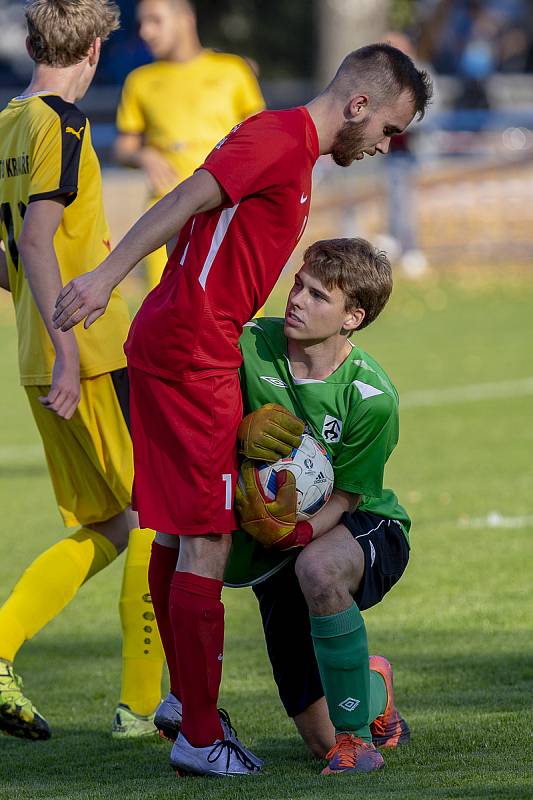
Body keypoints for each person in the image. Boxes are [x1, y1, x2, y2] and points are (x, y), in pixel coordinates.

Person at [53, 43, 432, 777]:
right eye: (389, 129)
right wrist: (104, 276)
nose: (387, 145)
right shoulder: (279, 139)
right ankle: (199, 730)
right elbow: (186, 196)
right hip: (195, 347)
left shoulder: (289, 149)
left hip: (182, 338)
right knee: (207, 541)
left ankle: (181, 704)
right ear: (358, 105)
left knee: (170, 537)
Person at [0, 0, 165, 741]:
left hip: (36, 354)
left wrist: (43, 336)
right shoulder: (62, 123)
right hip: (88, 356)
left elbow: (9, 252)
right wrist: (69, 348)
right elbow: (36, 241)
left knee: (109, 523)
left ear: (33, 41)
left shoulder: (6, 120)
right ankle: (141, 706)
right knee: (160, 520)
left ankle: (0, 647)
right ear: (96, 48)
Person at [224, 237, 412, 775]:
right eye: (299, 285)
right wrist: (239, 439)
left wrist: (299, 535)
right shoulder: (248, 343)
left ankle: (357, 742)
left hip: (362, 521)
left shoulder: (372, 397)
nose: (297, 301)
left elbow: (349, 494)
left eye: (318, 296)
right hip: (278, 531)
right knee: (315, 740)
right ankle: (369, 683)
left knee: (319, 567)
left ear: (352, 317)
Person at [114, 0, 265, 289]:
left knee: (232, 315)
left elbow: (261, 137)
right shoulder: (139, 81)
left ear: (185, 19)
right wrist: (143, 155)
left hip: (226, 211)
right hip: (166, 213)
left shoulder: (233, 70)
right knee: (167, 313)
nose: (145, 32)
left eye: (155, 21)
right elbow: (124, 148)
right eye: (142, 23)